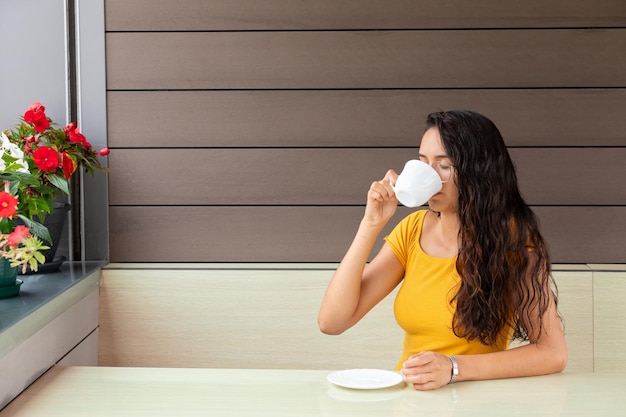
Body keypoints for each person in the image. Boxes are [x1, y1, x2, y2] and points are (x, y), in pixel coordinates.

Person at [318, 110, 567, 391]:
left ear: (479, 172)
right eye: (423, 162)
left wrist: (453, 368)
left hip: (477, 402)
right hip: (409, 400)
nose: (429, 174)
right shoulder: (412, 230)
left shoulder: (513, 242)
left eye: (444, 165)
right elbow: (332, 321)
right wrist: (371, 223)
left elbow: (553, 353)